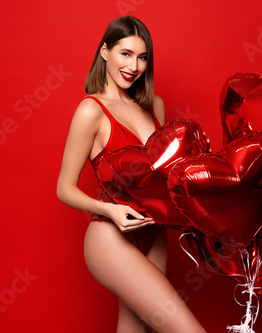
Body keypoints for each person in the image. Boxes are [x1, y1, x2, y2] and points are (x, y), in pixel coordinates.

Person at [56, 16, 206, 332]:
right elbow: (64, 188)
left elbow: (167, 177)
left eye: (142, 57)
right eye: (125, 54)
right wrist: (110, 209)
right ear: (104, 52)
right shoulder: (91, 110)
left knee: (135, 330)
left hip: (155, 234)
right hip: (111, 236)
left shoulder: (156, 107)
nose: (134, 66)